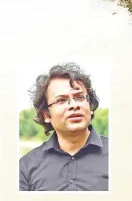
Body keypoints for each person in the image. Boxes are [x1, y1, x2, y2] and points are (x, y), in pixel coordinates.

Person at [19, 63, 109, 191]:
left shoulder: (118, 156)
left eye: (79, 97)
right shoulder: (26, 166)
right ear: (46, 115)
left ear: (90, 106)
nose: (73, 105)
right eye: (61, 100)